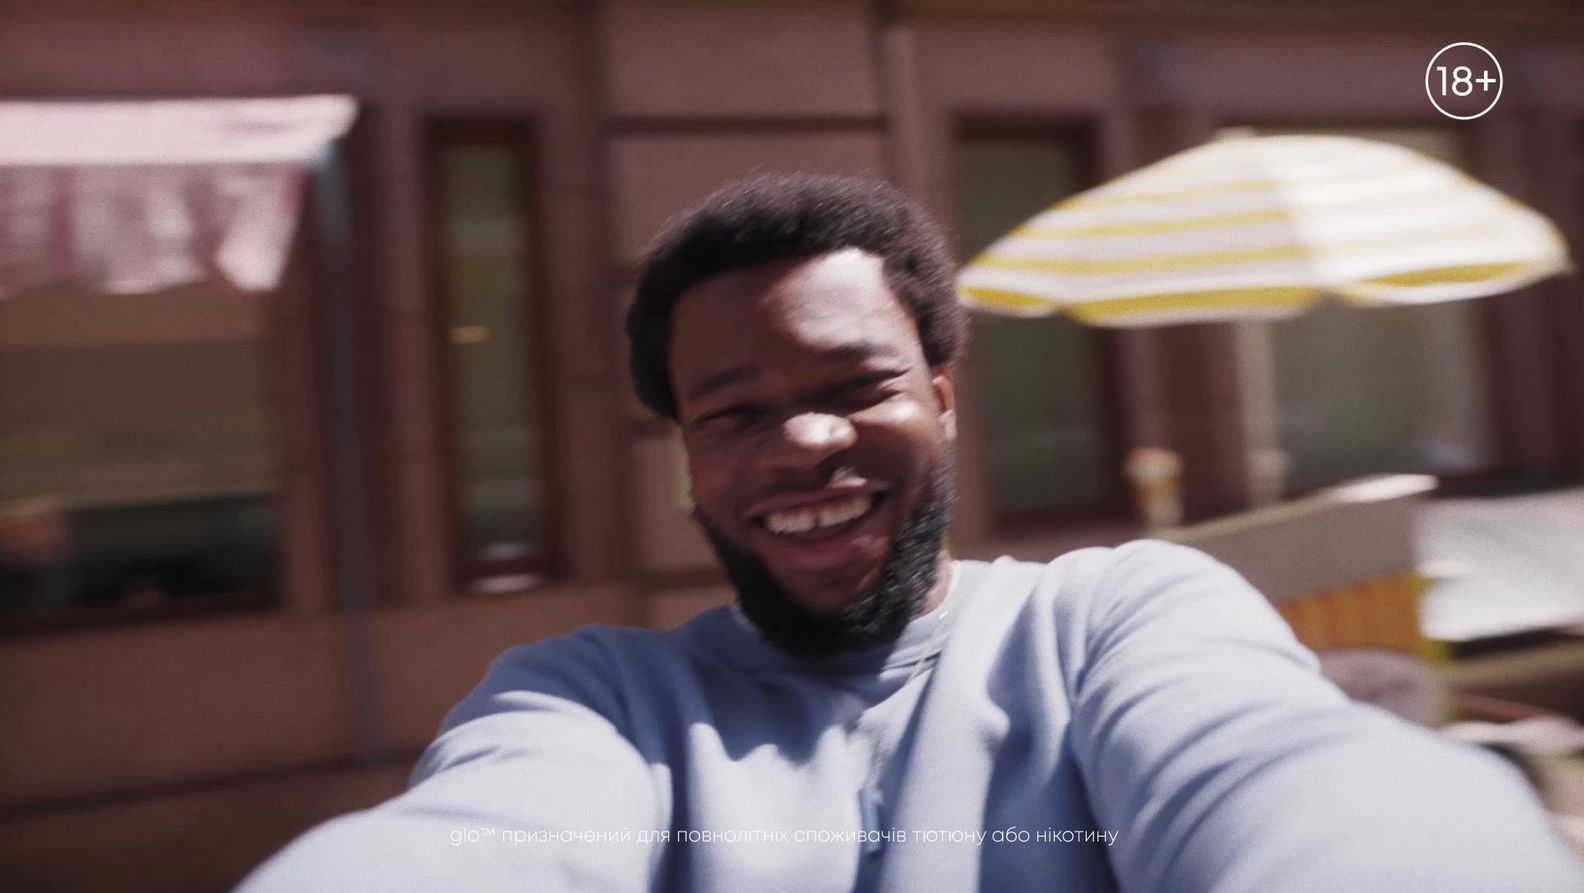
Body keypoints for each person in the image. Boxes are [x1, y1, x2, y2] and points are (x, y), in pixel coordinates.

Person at [238, 174, 1583, 892]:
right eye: (735, 412)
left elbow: (1310, 788)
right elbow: (470, 846)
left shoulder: (1118, 620)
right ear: (689, 462)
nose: (804, 442)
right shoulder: (589, 702)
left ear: (940, 396)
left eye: (852, 389)